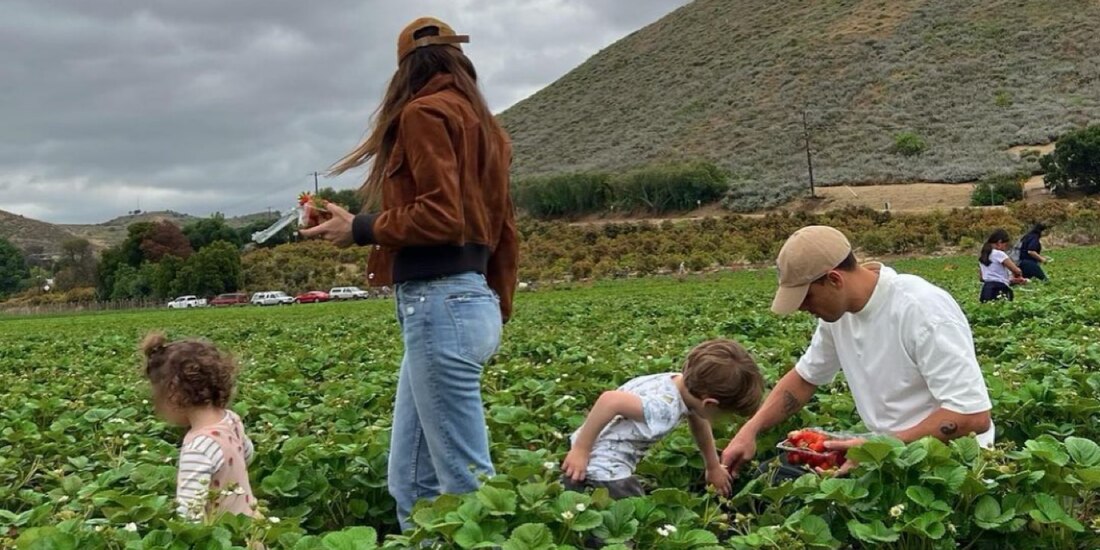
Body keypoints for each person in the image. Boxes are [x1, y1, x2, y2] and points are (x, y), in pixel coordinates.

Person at [298, 17, 518, 529]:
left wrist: (360, 228)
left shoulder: (423, 113)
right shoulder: (487, 129)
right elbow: (504, 229)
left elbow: (441, 216)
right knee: (412, 478)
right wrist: (496, 304)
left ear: (405, 71)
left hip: (440, 305)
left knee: (465, 483)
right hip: (470, 302)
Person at [721, 226, 994, 478]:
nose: (802, 308)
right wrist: (750, 429)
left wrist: (877, 448)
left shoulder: (922, 310)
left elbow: (972, 416)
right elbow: (805, 378)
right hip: (883, 450)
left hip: (945, 460)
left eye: (806, 297)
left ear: (834, 279)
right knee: (771, 474)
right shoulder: (837, 316)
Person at [561, 339, 764, 498]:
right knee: (633, 516)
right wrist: (582, 450)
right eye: (725, 415)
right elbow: (610, 401)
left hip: (590, 451)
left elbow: (698, 420)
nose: (723, 420)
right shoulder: (664, 409)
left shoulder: (679, 383)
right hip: (606, 469)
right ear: (709, 404)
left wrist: (712, 466)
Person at [140, 332, 256, 521]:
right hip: (252, 523)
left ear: (173, 393)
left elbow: (189, 515)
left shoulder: (199, 447)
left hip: (222, 532)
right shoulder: (231, 419)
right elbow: (247, 455)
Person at [978, 228, 1025, 303]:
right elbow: (1016, 270)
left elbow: (982, 278)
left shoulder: (983, 255)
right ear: (999, 242)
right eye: (1005, 245)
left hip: (986, 290)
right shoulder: (999, 254)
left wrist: (1011, 281)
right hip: (999, 289)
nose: (1005, 248)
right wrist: (1019, 277)